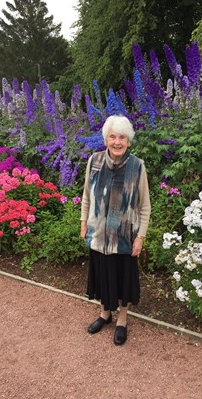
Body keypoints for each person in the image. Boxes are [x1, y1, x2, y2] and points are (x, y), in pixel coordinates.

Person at [80, 115, 151, 345]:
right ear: (106, 139)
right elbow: (86, 197)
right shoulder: (94, 161)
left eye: (122, 137)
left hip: (124, 237)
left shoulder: (137, 166)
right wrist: (83, 223)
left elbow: (145, 206)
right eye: (113, 137)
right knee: (101, 276)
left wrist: (140, 237)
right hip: (98, 234)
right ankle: (104, 314)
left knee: (122, 279)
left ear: (128, 141)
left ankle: (122, 319)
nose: (117, 142)